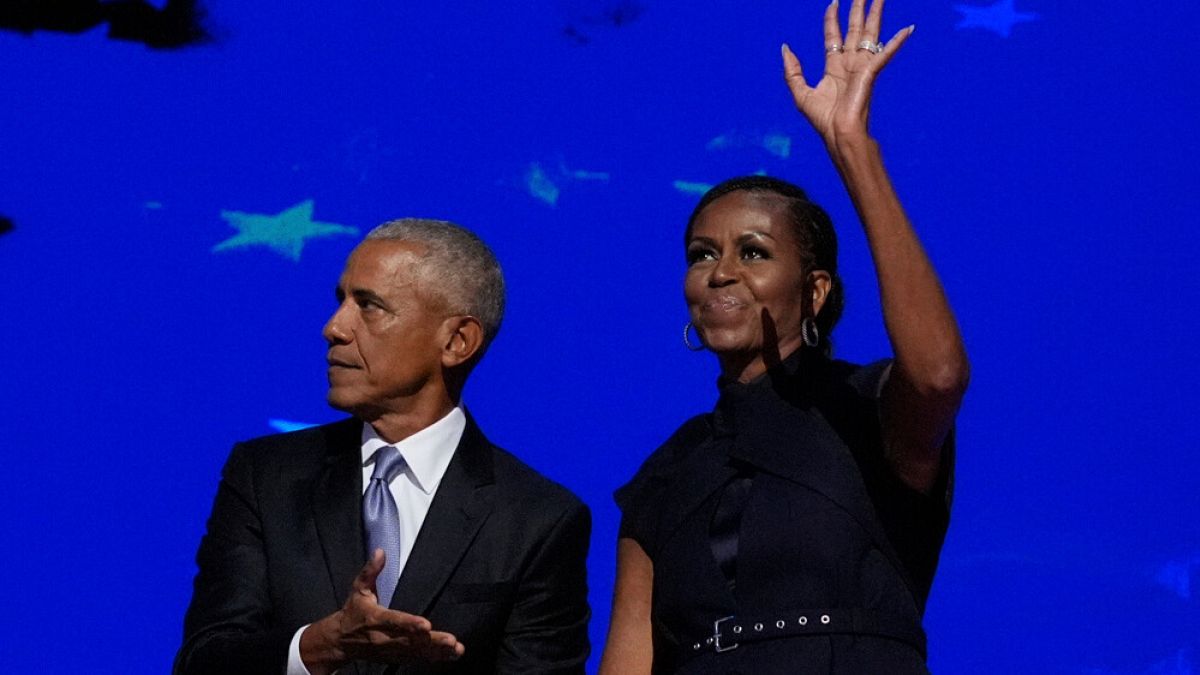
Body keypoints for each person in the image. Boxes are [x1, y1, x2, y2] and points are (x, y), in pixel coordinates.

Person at [599, 1, 969, 672]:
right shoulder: (668, 471)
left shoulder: (866, 411)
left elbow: (940, 373)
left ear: (816, 291)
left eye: (754, 252)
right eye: (702, 253)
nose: (722, 273)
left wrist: (853, 148)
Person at [175, 219, 591, 675]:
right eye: (341, 301)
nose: (333, 328)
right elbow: (203, 662)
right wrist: (318, 646)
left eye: (369, 306)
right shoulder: (264, 477)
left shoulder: (538, 520)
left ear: (456, 341)